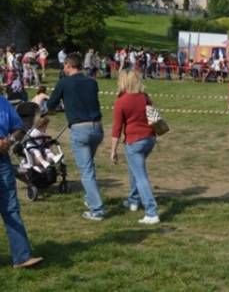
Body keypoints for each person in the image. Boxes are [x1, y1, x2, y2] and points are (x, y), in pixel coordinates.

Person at [47, 53, 105, 221]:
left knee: (86, 171)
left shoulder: (64, 82)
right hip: (97, 127)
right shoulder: (92, 82)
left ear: (69, 65)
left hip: (80, 129)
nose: (63, 69)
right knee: (89, 167)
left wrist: (57, 107)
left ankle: (97, 210)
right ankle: (90, 198)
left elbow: (51, 104)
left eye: (64, 66)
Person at [110, 70, 160, 225]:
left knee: (140, 176)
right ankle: (133, 200)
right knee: (134, 170)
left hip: (134, 141)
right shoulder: (144, 97)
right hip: (149, 139)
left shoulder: (121, 101)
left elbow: (117, 128)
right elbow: (154, 115)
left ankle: (151, 212)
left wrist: (113, 150)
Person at [0, 95, 43, 268]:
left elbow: (19, 127)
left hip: (2, 161)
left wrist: (9, 141)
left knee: (11, 208)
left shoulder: (2, 101)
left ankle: (22, 257)